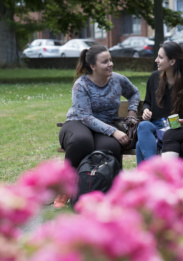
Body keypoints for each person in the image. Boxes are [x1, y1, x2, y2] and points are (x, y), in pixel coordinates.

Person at [56, 45, 140, 208]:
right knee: (82, 141)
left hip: (106, 124)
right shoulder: (81, 85)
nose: (110, 64)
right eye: (105, 61)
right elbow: (86, 117)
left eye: (110, 60)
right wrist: (114, 131)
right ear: (93, 66)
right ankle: (66, 187)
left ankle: (111, 192)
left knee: (110, 147)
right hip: (78, 123)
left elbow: (134, 93)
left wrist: (131, 110)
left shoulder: (118, 79)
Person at [136, 42, 183, 165]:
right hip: (156, 127)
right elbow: (147, 102)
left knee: (140, 144)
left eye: (160, 57)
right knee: (143, 126)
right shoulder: (154, 77)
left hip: (175, 129)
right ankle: (156, 171)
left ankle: (149, 176)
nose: (156, 60)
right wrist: (146, 110)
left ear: (172, 61)